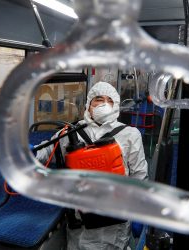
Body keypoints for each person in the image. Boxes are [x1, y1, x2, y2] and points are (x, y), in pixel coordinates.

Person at [36, 81, 148, 250]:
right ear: (88, 105)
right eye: (98, 99)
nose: (104, 104)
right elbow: (46, 150)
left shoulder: (130, 134)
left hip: (114, 218)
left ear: (116, 105)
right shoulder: (70, 132)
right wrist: (29, 153)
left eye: (109, 100)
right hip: (80, 216)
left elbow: (140, 176)